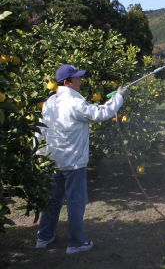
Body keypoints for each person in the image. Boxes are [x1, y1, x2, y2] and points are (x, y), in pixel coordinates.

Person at [35, 64, 128, 254]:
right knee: (76, 204)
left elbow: (41, 130)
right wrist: (118, 97)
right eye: (77, 78)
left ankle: (43, 238)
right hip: (73, 163)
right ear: (66, 82)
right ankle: (76, 243)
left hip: (53, 161)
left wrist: (39, 156)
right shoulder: (74, 103)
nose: (80, 81)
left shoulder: (50, 102)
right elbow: (101, 113)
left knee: (51, 202)